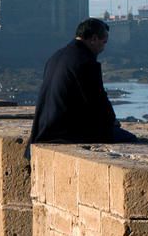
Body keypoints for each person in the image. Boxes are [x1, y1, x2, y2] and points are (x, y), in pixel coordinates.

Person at [29, 18, 137, 147]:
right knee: (131, 140)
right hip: (64, 132)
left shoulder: (56, 56)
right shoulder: (85, 61)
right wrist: (111, 121)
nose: (103, 48)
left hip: (42, 130)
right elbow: (97, 100)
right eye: (104, 42)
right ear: (94, 39)